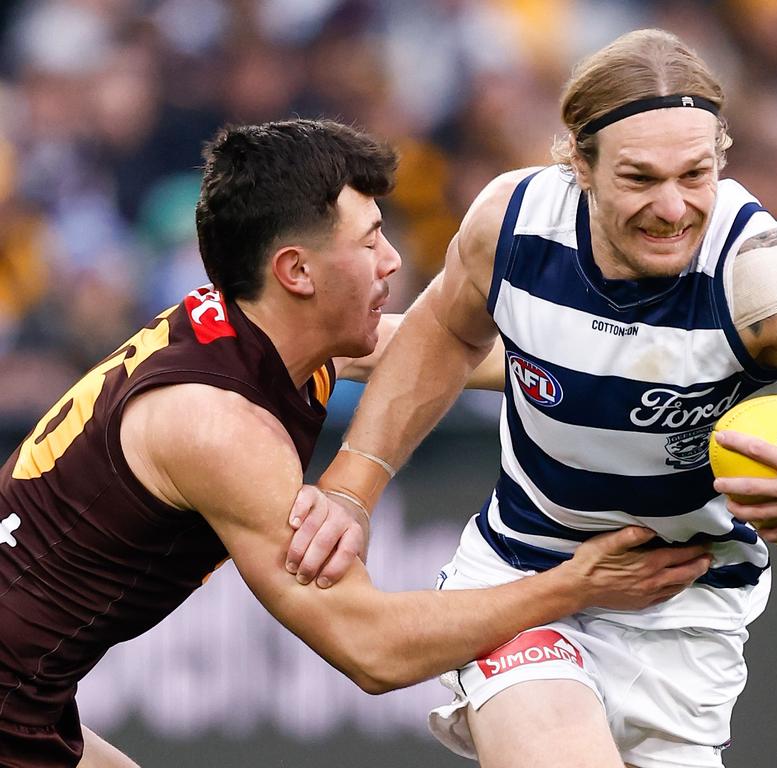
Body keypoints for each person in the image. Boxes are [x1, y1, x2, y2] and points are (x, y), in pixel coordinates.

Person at [299, 29, 777, 768]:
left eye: (694, 174)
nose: (673, 208)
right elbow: (446, 332)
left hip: (687, 613)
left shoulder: (765, 275)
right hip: (523, 573)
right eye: (640, 178)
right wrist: (351, 487)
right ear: (577, 161)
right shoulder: (512, 224)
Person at [0, 118, 715, 768]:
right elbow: (371, 648)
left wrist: (702, 341)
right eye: (371, 239)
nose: (393, 261)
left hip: (28, 696)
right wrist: (572, 587)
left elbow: (470, 349)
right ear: (297, 271)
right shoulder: (218, 426)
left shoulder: (262, 333)